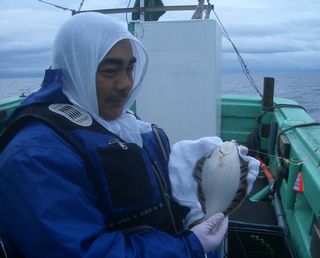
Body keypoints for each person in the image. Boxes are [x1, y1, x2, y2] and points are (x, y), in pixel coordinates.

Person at [0, 12, 258, 257]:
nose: (126, 84)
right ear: (76, 69)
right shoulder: (35, 156)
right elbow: (78, 251)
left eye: (130, 68)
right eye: (110, 71)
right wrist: (190, 247)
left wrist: (199, 188)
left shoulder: (129, 128)